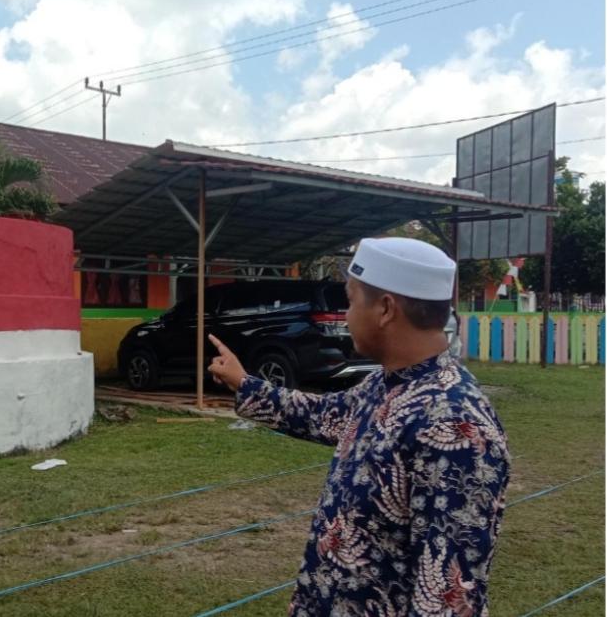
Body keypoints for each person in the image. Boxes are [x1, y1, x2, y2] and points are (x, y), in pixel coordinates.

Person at [208, 237, 510, 617]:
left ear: (385, 309)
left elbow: (448, 596)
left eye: (350, 301)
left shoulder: (456, 424)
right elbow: (323, 415)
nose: (346, 316)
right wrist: (244, 382)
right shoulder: (386, 385)